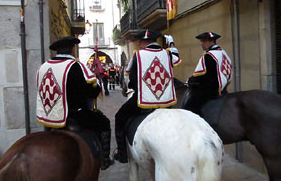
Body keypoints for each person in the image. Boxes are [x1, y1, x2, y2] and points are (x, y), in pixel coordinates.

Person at [36, 36, 113, 170]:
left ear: (57, 52)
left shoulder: (44, 66)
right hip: (74, 114)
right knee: (104, 123)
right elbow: (90, 92)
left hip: (50, 116)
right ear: (72, 51)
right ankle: (105, 159)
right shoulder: (75, 66)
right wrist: (96, 86)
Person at [114, 30, 181, 163]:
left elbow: (132, 80)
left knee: (119, 117)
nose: (138, 44)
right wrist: (171, 43)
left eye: (140, 41)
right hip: (166, 103)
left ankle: (122, 154)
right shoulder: (167, 53)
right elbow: (176, 57)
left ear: (144, 42)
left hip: (142, 102)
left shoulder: (138, 55)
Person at [184, 32, 232, 110]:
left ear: (211, 42)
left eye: (203, 41)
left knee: (191, 104)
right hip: (223, 88)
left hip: (211, 91)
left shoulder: (209, 56)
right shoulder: (223, 52)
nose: (201, 43)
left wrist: (190, 81)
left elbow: (202, 76)